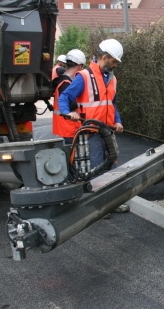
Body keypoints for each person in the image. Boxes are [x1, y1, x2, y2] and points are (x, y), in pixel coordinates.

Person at [57, 39, 129, 214]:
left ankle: (110, 202)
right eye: (113, 62)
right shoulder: (84, 77)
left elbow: (112, 105)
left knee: (111, 166)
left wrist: (117, 121)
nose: (114, 66)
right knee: (98, 168)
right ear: (104, 57)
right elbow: (63, 98)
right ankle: (100, 207)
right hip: (92, 133)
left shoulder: (112, 79)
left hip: (108, 131)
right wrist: (68, 112)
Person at [52, 49, 86, 144]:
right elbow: (70, 105)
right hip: (69, 128)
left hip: (66, 127)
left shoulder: (62, 80)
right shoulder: (66, 83)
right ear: (80, 66)